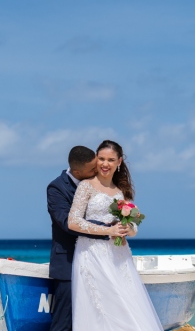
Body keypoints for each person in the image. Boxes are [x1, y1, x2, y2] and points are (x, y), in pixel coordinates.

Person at [68, 140, 163, 331]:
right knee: (100, 306)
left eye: (111, 160)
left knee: (125, 305)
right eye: (101, 159)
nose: (105, 164)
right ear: (96, 159)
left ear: (119, 162)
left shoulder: (121, 192)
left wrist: (129, 230)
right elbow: (73, 221)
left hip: (119, 256)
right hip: (91, 253)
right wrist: (108, 230)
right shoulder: (86, 186)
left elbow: (133, 227)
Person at [47, 145, 99, 331]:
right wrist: (105, 229)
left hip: (97, 260)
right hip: (67, 262)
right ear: (77, 171)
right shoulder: (56, 188)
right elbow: (65, 222)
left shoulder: (97, 183)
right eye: (92, 169)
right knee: (64, 321)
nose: (97, 170)